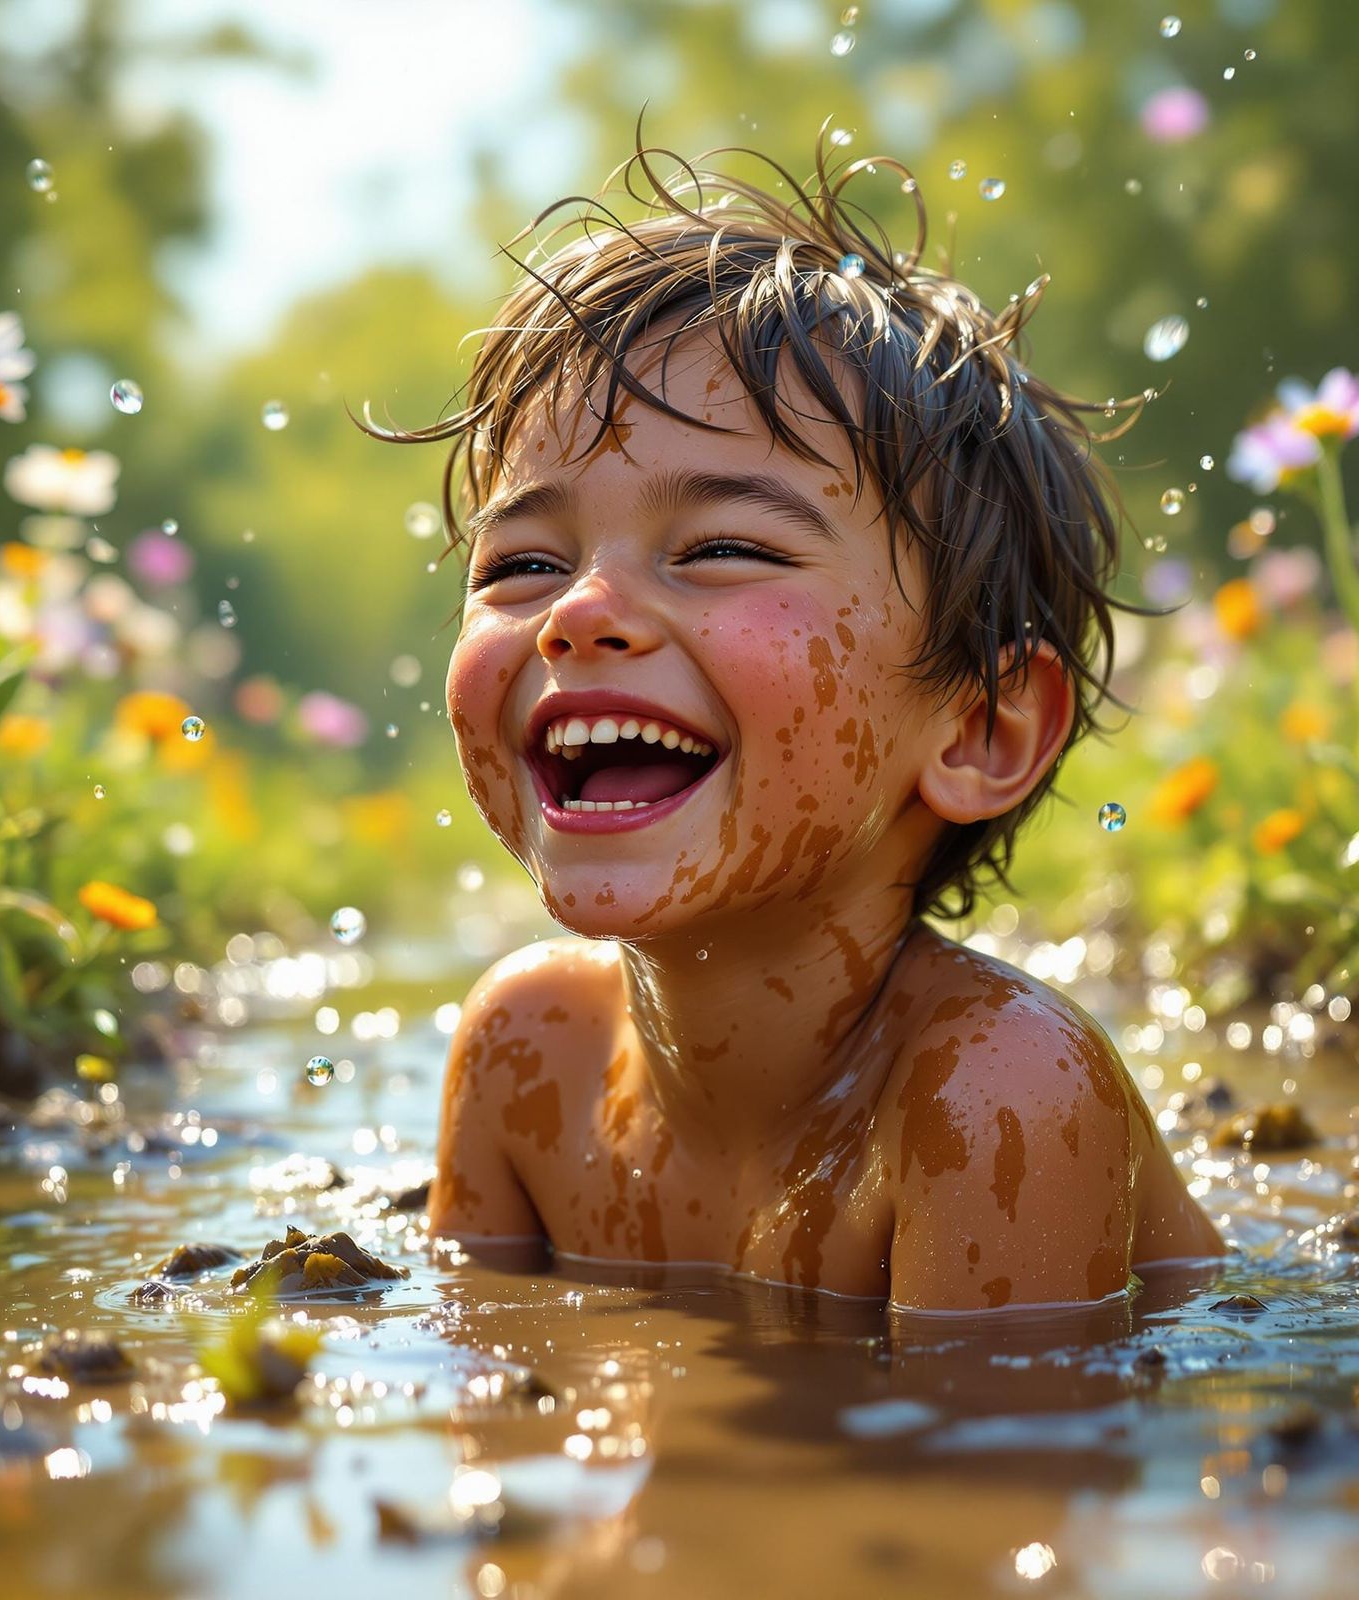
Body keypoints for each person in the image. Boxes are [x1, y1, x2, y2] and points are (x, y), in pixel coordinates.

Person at [360, 123, 1225, 1312]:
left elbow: (1006, 1487)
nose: (579, 614)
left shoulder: (995, 1094)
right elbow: (495, 1436)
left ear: (980, 730)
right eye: (520, 563)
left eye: (719, 547)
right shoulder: (526, 1049)